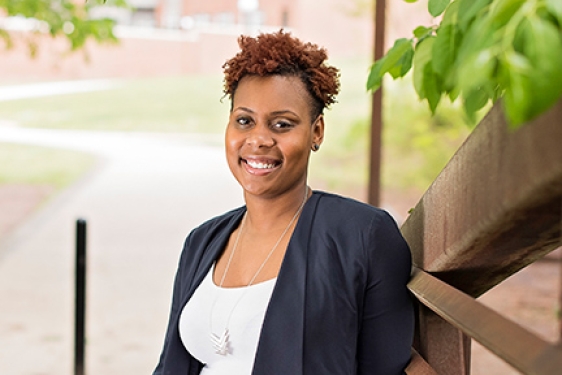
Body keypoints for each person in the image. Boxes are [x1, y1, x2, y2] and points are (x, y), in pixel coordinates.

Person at [153, 30, 414, 375]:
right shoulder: (201, 242)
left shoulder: (361, 236)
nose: (259, 140)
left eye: (282, 124)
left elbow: (386, 367)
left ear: (316, 132)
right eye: (244, 121)